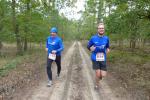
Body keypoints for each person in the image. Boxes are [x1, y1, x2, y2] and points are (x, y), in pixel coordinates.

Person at [87, 23, 110, 89]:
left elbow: (107, 46)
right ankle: (97, 84)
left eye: (102, 28)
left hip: (103, 58)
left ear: (104, 29)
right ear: (97, 30)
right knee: (98, 74)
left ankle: (98, 77)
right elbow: (88, 46)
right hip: (95, 58)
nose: (101, 29)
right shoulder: (93, 38)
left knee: (103, 75)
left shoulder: (106, 38)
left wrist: (108, 49)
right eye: (100, 28)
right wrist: (90, 48)